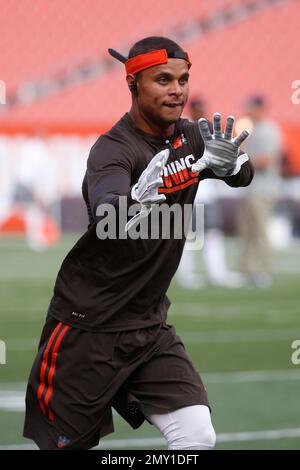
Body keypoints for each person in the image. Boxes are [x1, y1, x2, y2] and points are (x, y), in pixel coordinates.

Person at [23, 36, 253, 450]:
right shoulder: (113, 149)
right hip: (85, 328)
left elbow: (243, 174)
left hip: (148, 326)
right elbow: (109, 210)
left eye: (183, 79)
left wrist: (233, 164)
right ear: (133, 85)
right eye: (163, 80)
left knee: (197, 435)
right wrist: (139, 198)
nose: (177, 89)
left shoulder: (191, 137)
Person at [177, 97, 245, 288]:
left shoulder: (213, 132)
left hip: (208, 193)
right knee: (190, 237)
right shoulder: (184, 131)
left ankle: (218, 273)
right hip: (191, 192)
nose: (202, 112)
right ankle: (187, 275)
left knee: (213, 234)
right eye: (198, 109)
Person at [236, 96, 282, 287]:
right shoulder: (252, 130)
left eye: (251, 108)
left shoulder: (269, 131)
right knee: (246, 232)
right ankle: (244, 271)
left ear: (260, 109)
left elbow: (264, 161)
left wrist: (242, 158)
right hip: (249, 189)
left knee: (261, 232)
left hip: (263, 190)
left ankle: (263, 271)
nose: (248, 111)